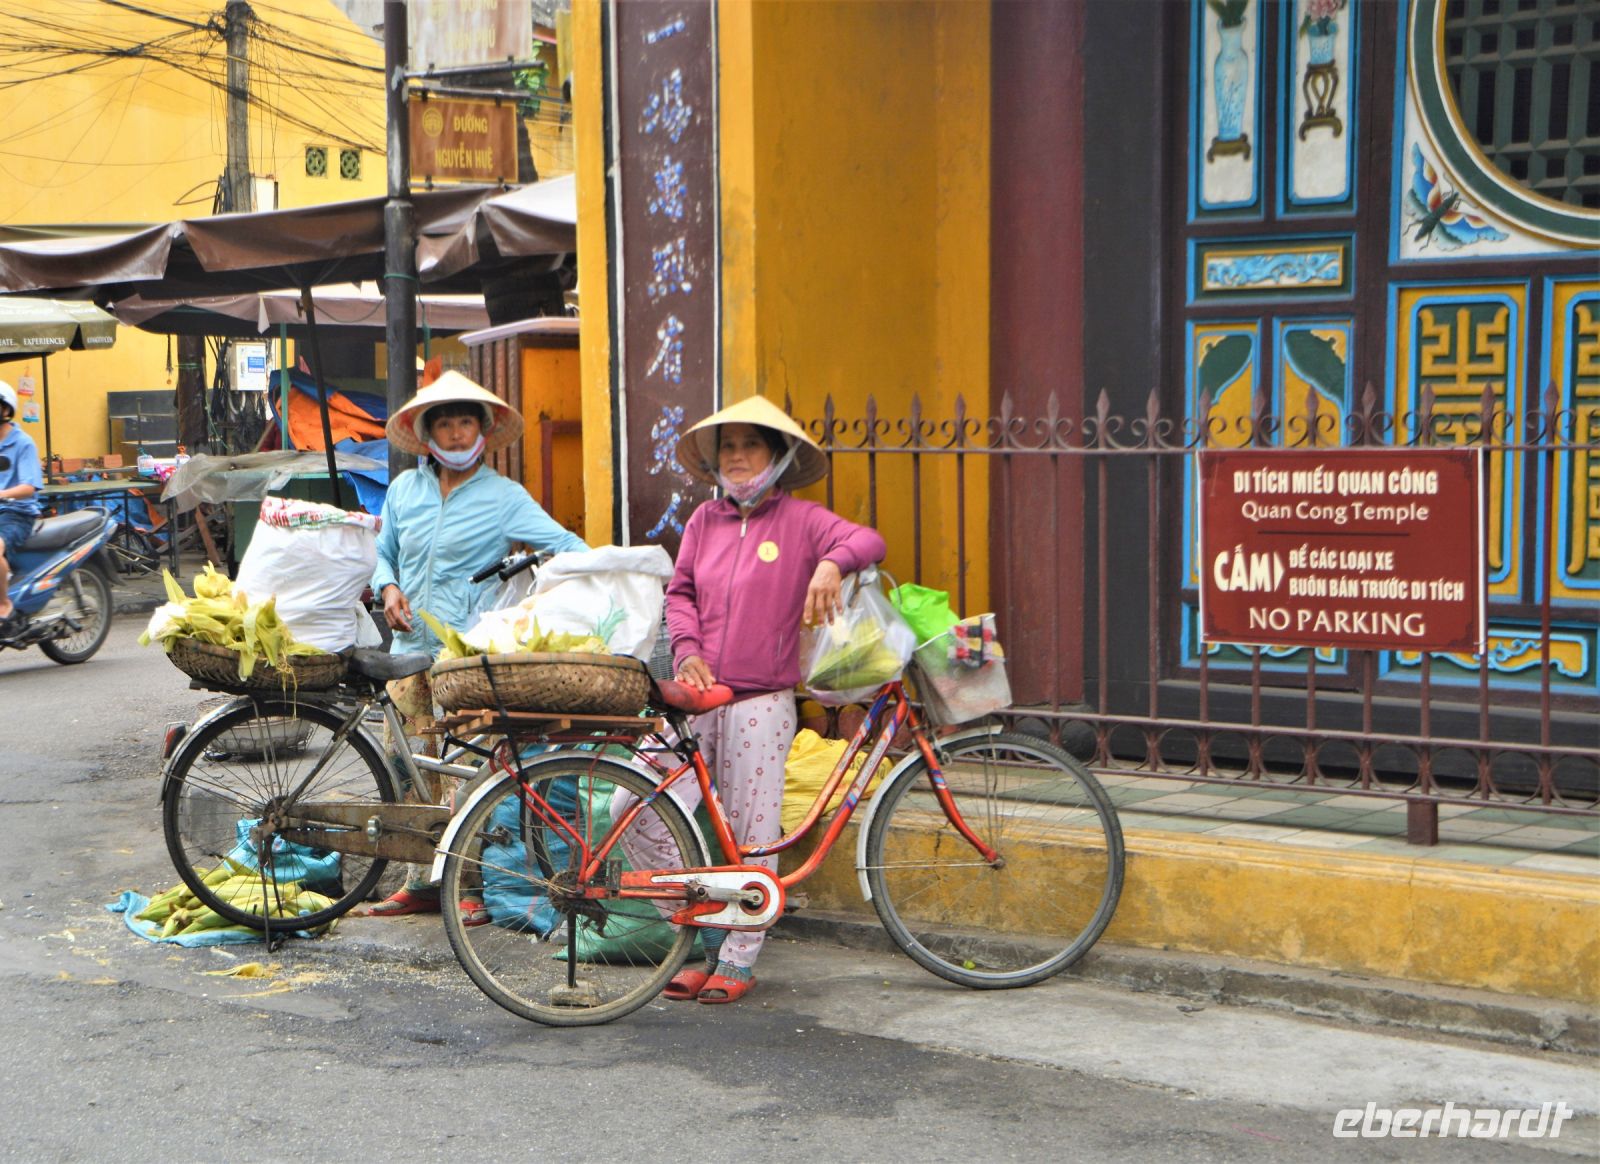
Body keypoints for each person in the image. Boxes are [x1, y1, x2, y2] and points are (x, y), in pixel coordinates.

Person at [653, 394, 886, 1003]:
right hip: (697, 692)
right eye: (727, 447)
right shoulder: (704, 522)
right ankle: (696, 934)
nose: (735, 457)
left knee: (751, 828)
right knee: (646, 797)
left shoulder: (804, 521)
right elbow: (680, 594)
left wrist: (830, 565)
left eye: (749, 446)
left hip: (763, 697)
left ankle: (737, 955)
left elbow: (868, 540)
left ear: (777, 456)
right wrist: (687, 649)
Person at [367, 371, 587, 919]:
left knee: (470, 773)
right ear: (427, 433)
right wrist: (388, 585)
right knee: (410, 769)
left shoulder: (503, 497)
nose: (458, 433)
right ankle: (420, 881)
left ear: (483, 430)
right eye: (446, 422)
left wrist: (535, 604)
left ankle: (469, 885)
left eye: (466, 422)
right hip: (405, 648)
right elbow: (381, 552)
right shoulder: (404, 491)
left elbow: (567, 547)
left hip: (464, 658)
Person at [0, 381, 43, 626]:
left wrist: (2, 494)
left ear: (6, 409)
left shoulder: (22, 443)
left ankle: (4, 604)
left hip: (17, 513)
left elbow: (29, 487)